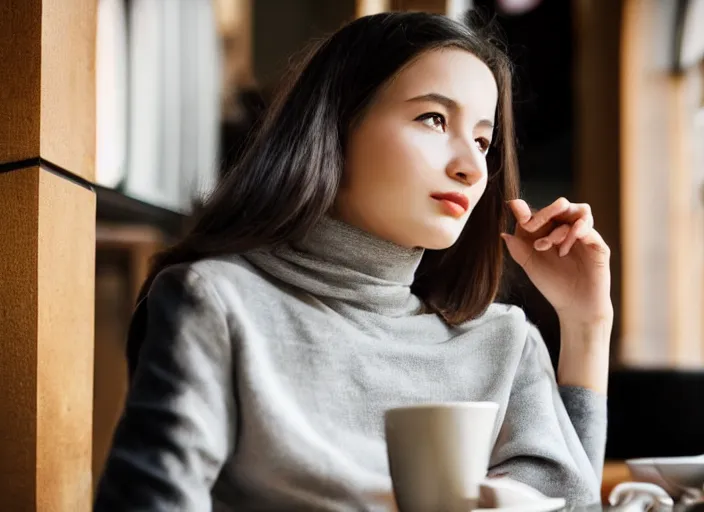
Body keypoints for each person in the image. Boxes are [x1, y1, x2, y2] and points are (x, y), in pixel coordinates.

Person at [95, 11, 612, 511]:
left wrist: (586, 325)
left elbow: (571, 507)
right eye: (434, 118)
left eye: (483, 141)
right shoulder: (218, 302)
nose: (472, 167)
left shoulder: (504, 342)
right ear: (336, 127)